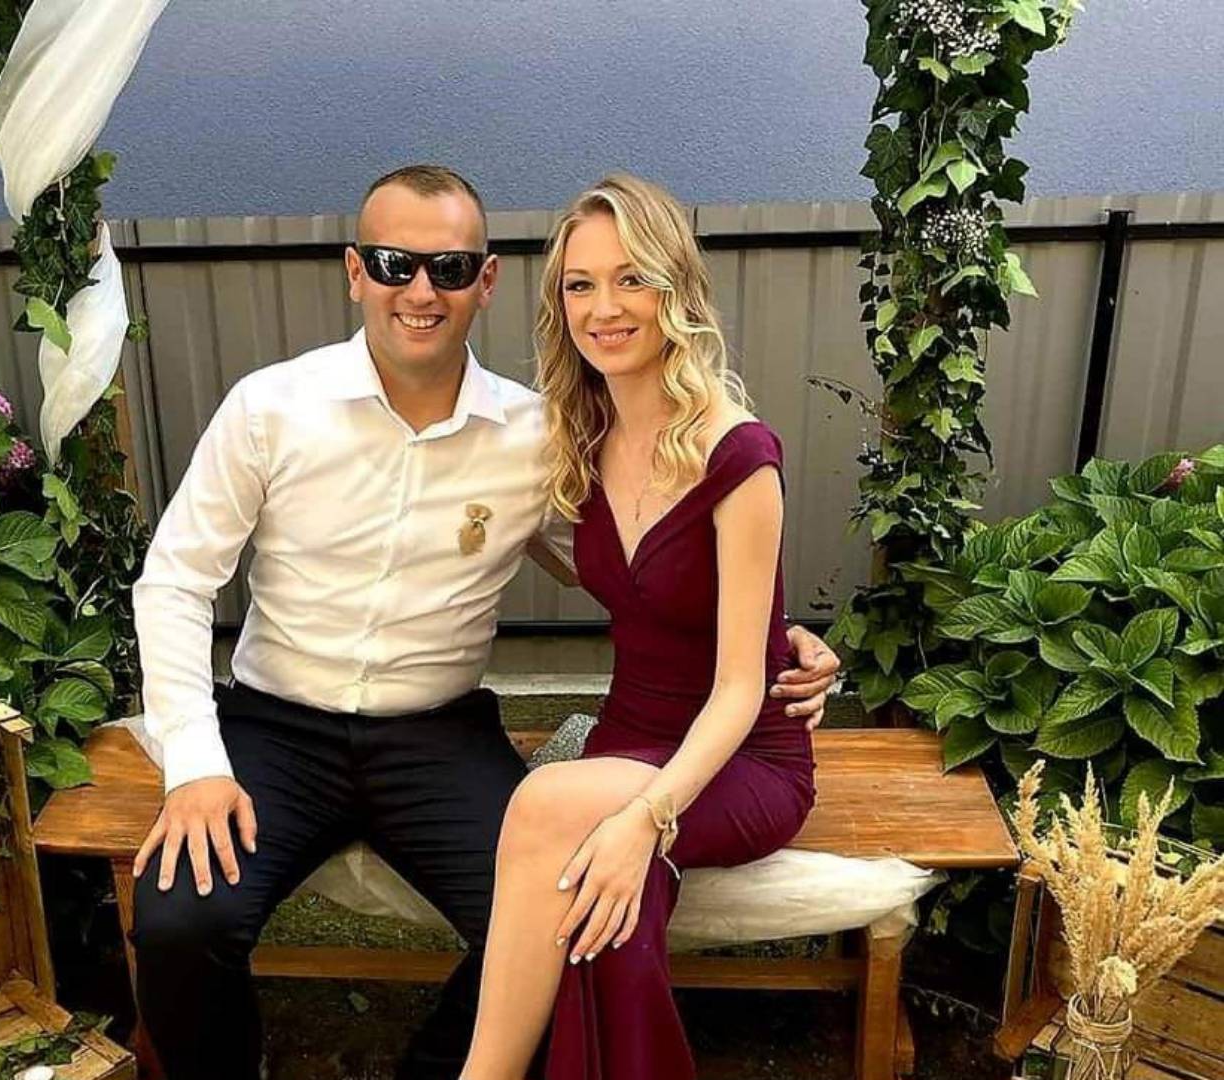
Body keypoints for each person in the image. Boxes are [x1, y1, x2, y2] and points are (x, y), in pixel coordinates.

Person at [127, 165, 838, 1080]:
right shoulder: (271, 408)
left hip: (436, 738)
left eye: (450, 268)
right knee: (179, 922)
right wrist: (194, 765)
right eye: (395, 264)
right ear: (355, 271)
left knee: (546, 919)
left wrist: (782, 637)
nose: (421, 291)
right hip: (276, 729)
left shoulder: (537, 437)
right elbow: (175, 581)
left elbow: (656, 559)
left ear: (487, 280)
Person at [461, 175, 817, 1080]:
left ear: (676, 290)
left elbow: (739, 686)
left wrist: (645, 818)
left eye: (631, 279)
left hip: (738, 755)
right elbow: (619, 573)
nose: (604, 307)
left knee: (546, 808)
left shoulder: (740, 455)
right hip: (629, 738)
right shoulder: (581, 439)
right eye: (580, 285)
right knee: (604, 924)